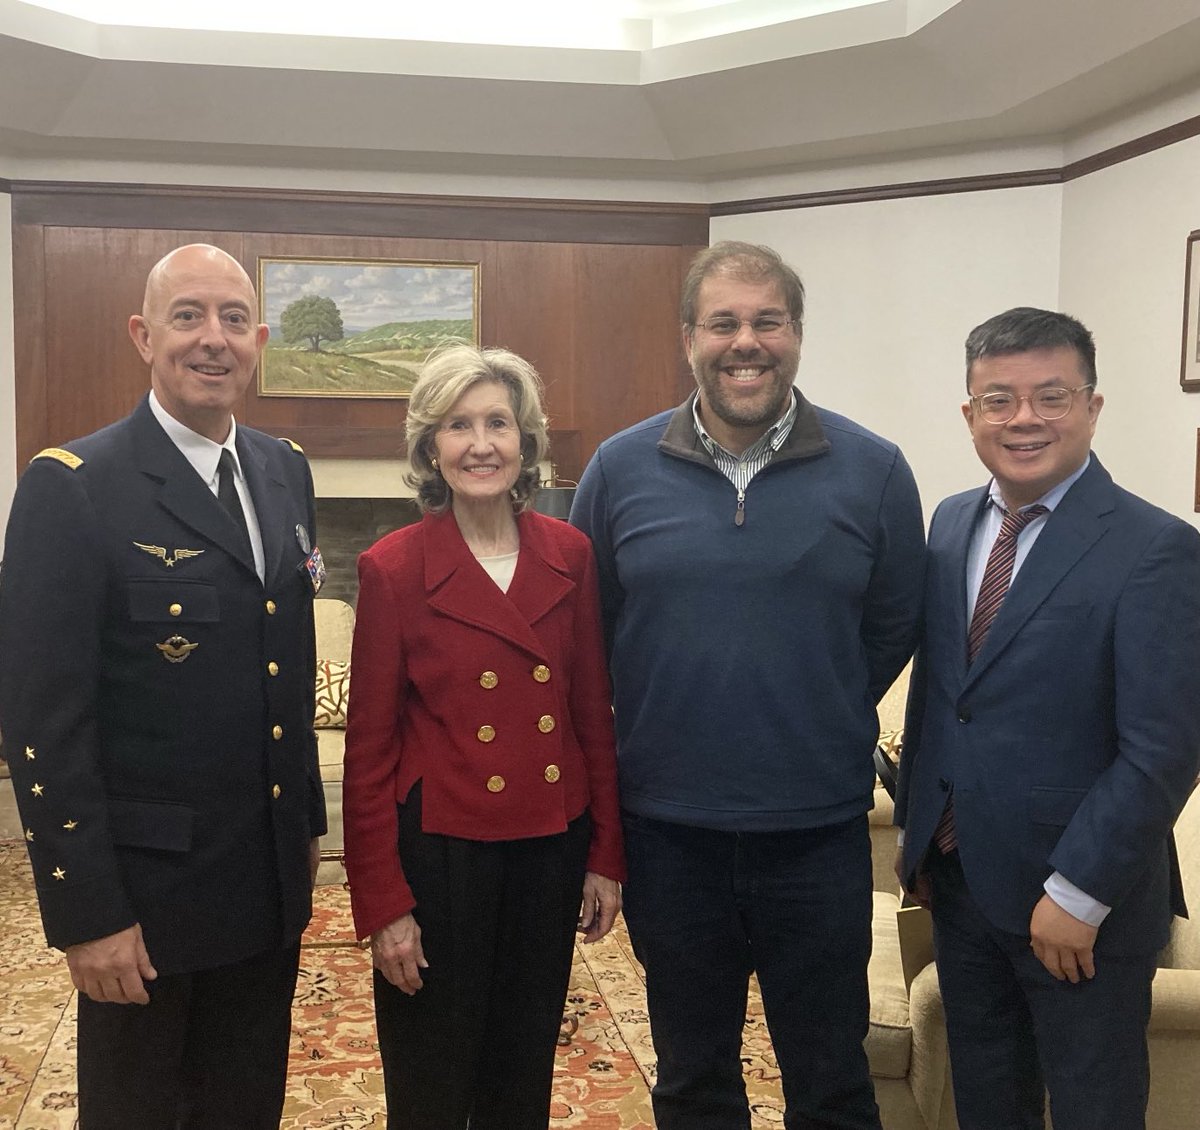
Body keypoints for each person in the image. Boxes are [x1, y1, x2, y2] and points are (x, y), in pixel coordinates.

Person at [570, 241, 926, 1129]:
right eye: (723, 322)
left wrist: (810, 694)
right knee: (693, 1081)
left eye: (767, 321)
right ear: (688, 336)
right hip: (671, 838)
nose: (746, 342)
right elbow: (589, 635)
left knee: (832, 1082)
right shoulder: (618, 471)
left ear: (797, 333)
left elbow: (890, 628)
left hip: (818, 836)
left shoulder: (875, 470)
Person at [0, 243, 326, 1127]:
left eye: (231, 319)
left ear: (258, 339)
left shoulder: (282, 468)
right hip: (145, 898)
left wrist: (305, 827)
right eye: (187, 317)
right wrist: (86, 910)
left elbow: (284, 668)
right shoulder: (75, 486)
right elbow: (40, 718)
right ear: (144, 335)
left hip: (263, 883)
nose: (210, 340)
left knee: (244, 1102)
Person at [894, 307, 1200, 1130]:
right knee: (989, 1107)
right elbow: (942, 693)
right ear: (969, 414)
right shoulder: (952, 522)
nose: (1023, 419)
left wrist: (1078, 890)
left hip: (1078, 911)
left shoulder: (1155, 547)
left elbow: (1163, 749)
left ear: (1093, 408)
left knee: (1095, 1112)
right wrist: (919, 839)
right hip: (960, 889)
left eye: (1050, 396)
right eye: (998, 400)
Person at [341, 342, 625, 1129]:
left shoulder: (571, 555)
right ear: (431, 446)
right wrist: (383, 905)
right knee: (430, 1077)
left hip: (549, 846)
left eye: (498, 422)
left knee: (520, 1071)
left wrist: (605, 855)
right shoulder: (391, 568)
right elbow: (367, 754)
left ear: (526, 440)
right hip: (442, 853)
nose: (481, 443)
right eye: (458, 425)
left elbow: (589, 714)